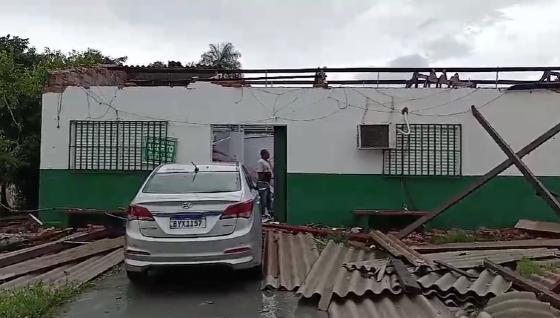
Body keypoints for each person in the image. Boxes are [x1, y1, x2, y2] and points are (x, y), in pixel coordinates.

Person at [256, 149, 273, 218]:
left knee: (269, 198)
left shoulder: (267, 162)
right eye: (267, 154)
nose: (269, 155)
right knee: (263, 199)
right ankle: (262, 213)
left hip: (267, 183)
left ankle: (269, 212)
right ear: (263, 155)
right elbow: (260, 173)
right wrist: (266, 175)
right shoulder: (260, 162)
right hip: (263, 183)